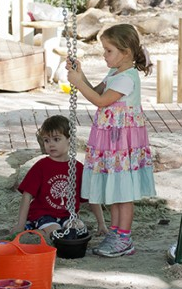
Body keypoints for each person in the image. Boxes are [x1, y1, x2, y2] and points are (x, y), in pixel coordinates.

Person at [66, 24, 156, 257]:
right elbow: (96, 91)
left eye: (108, 50)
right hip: (112, 142)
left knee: (123, 191)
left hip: (121, 143)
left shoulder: (127, 78)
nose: (104, 55)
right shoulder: (115, 73)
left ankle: (124, 238)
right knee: (116, 188)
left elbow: (100, 101)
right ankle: (116, 233)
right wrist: (80, 75)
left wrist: (77, 83)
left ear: (125, 52)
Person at [14, 114, 107, 243]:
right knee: (55, 232)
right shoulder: (41, 166)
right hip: (42, 215)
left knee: (80, 229)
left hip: (68, 216)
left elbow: (92, 197)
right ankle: (31, 231)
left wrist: (101, 223)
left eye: (56, 139)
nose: (51, 144)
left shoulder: (78, 168)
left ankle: (47, 232)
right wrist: (20, 225)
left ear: (69, 139)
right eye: (46, 140)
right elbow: (27, 194)